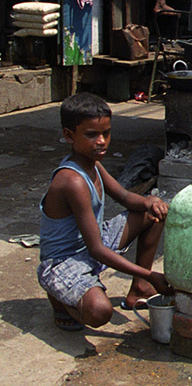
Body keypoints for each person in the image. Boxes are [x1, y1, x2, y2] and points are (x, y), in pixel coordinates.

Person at [36, 93, 172, 332]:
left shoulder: (94, 164)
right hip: (64, 261)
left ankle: (138, 288)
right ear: (69, 136)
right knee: (100, 311)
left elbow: (124, 197)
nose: (101, 141)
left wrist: (149, 201)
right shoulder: (72, 180)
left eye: (106, 133)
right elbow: (97, 250)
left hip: (91, 246)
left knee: (154, 212)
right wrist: (151, 274)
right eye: (92, 135)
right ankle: (59, 300)